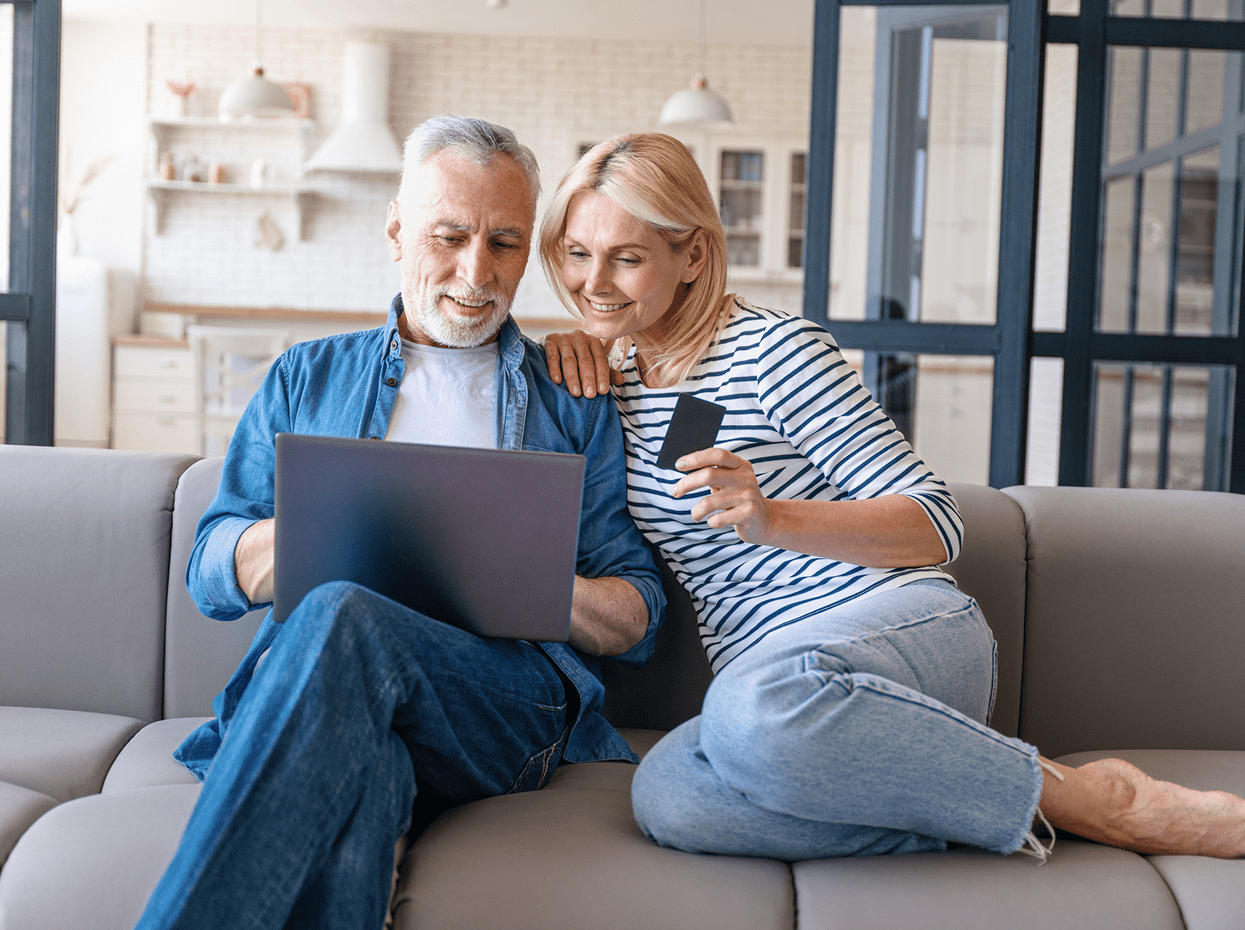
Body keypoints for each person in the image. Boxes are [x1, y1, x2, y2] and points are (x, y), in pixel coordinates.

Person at [540, 131, 1245, 862]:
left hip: (895, 635)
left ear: (690, 255)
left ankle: (1102, 803)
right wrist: (556, 351)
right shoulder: (607, 380)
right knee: (670, 797)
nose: (593, 281)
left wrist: (773, 516)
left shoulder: (771, 351)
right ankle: (997, 802)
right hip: (776, 696)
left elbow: (936, 523)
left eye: (626, 258)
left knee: (752, 710)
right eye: (576, 252)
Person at [133, 116, 666, 930]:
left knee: (345, 612)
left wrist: (504, 570)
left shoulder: (571, 396)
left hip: (498, 706)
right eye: (449, 236)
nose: (476, 272)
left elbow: (636, 616)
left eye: (506, 243)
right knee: (365, 748)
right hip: (327, 692)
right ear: (395, 231)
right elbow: (208, 570)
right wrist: (312, 534)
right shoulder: (305, 377)